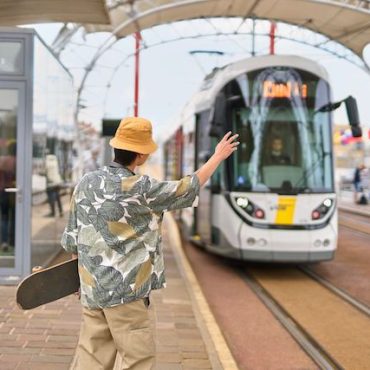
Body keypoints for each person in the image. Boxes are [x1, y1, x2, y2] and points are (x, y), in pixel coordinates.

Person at [61, 117, 239, 370]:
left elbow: (72, 238)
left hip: (92, 288)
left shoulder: (86, 183)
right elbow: (188, 188)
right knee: (137, 359)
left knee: (92, 358)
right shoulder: (142, 188)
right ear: (142, 155)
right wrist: (217, 157)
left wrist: (77, 277)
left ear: (115, 147)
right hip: (126, 293)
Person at [0, 140, 16, 252]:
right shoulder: (18, 160)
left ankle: (4, 241)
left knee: (4, 217)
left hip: (3, 192)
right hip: (14, 193)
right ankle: (13, 241)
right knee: (14, 218)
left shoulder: (3, 160)